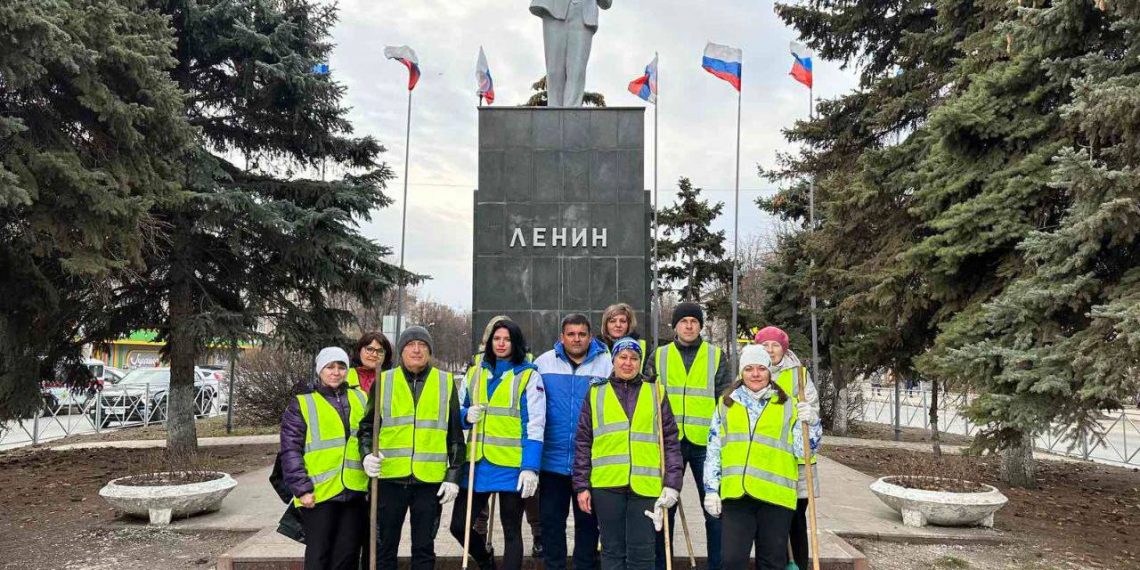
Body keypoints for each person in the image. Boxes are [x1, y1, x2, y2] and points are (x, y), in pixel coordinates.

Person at [701, 345, 821, 569]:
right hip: (737, 496)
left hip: (776, 498)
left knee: (772, 562)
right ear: (741, 373)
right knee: (732, 560)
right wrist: (710, 490)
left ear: (769, 371)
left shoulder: (789, 406)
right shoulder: (726, 405)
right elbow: (714, 449)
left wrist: (812, 424)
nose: (755, 374)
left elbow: (804, 452)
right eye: (748, 369)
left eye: (761, 369)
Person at [358, 326, 466, 570]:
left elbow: (456, 437)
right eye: (410, 345)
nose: (416, 350)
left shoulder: (445, 382)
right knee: (384, 548)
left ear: (429, 351)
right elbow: (366, 428)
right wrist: (366, 456)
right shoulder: (384, 381)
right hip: (389, 479)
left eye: (423, 345)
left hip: (429, 483)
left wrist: (453, 476)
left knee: (424, 549)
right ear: (401, 351)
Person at [574, 337, 683, 570]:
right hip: (606, 485)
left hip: (646, 486)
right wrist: (581, 485)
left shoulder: (655, 392)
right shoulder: (596, 393)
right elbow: (583, 442)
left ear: (640, 363)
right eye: (622, 357)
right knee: (612, 551)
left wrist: (672, 484)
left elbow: (671, 441)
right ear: (613, 360)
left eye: (634, 358)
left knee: (643, 553)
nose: (628, 363)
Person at [450, 319, 546, 570]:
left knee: (511, 529)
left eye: (507, 339)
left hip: (511, 465)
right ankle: (485, 560)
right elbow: (458, 410)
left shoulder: (528, 376)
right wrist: (465, 416)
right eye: (497, 338)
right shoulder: (474, 372)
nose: (501, 344)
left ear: (516, 343)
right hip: (477, 463)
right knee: (458, 525)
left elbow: (535, 424)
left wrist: (530, 467)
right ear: (490, 342)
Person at [647, 302, 732, 570]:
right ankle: (663, 564)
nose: (689, 325)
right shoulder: (658, 356)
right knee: (664, 506)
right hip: (668, 441)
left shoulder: (716, 356)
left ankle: (716, 565)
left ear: (701, 325)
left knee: (714, 508)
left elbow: (725, 399)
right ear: (675, 325)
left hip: (705, 443)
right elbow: (647, 398)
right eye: (683, 321)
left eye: (694, 321)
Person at [534, 313, 613, 570]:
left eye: (582, 334)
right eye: (571, 334)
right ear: (562, 337)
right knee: (551, 527)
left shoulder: (607, 364)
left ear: (590, 336)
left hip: (589, 463)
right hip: (552, 462)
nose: (576, 339)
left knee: (588, 529)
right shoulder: (543, 364)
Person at [279, 347, 369, 570]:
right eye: (330, 367)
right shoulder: (303, 403)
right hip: (319, 493)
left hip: (354, 490)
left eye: (341, 367)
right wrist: (302, 489)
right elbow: (290, 450)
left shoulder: (360, 397)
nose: (336, 372)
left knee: (348, 555)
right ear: (320, 370)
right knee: (319, 555)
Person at [753, 326, 823, 570]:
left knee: (795, 518)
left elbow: (812, 408)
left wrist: (810, 414)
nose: (771, 350)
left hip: (796, 459)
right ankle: (779, 563)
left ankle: (799, 564)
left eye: (776, 345)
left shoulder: (799, 374)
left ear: (784, 349)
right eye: (765, 345)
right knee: (772, 518)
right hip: (768, 459)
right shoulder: (752, 372)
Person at [529, 0, 613, 107]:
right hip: (553, 9)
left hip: (583, 14)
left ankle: (573, 112)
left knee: (577, 70)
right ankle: (553, 110)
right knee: (554, 69)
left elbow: (606, 3)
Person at [597, 303, 653, 371]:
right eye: (612, 321)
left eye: (623, 321)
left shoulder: (645, 347)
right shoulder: (595, 348)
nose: (618, 325)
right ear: (605, 325)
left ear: (629, 324)